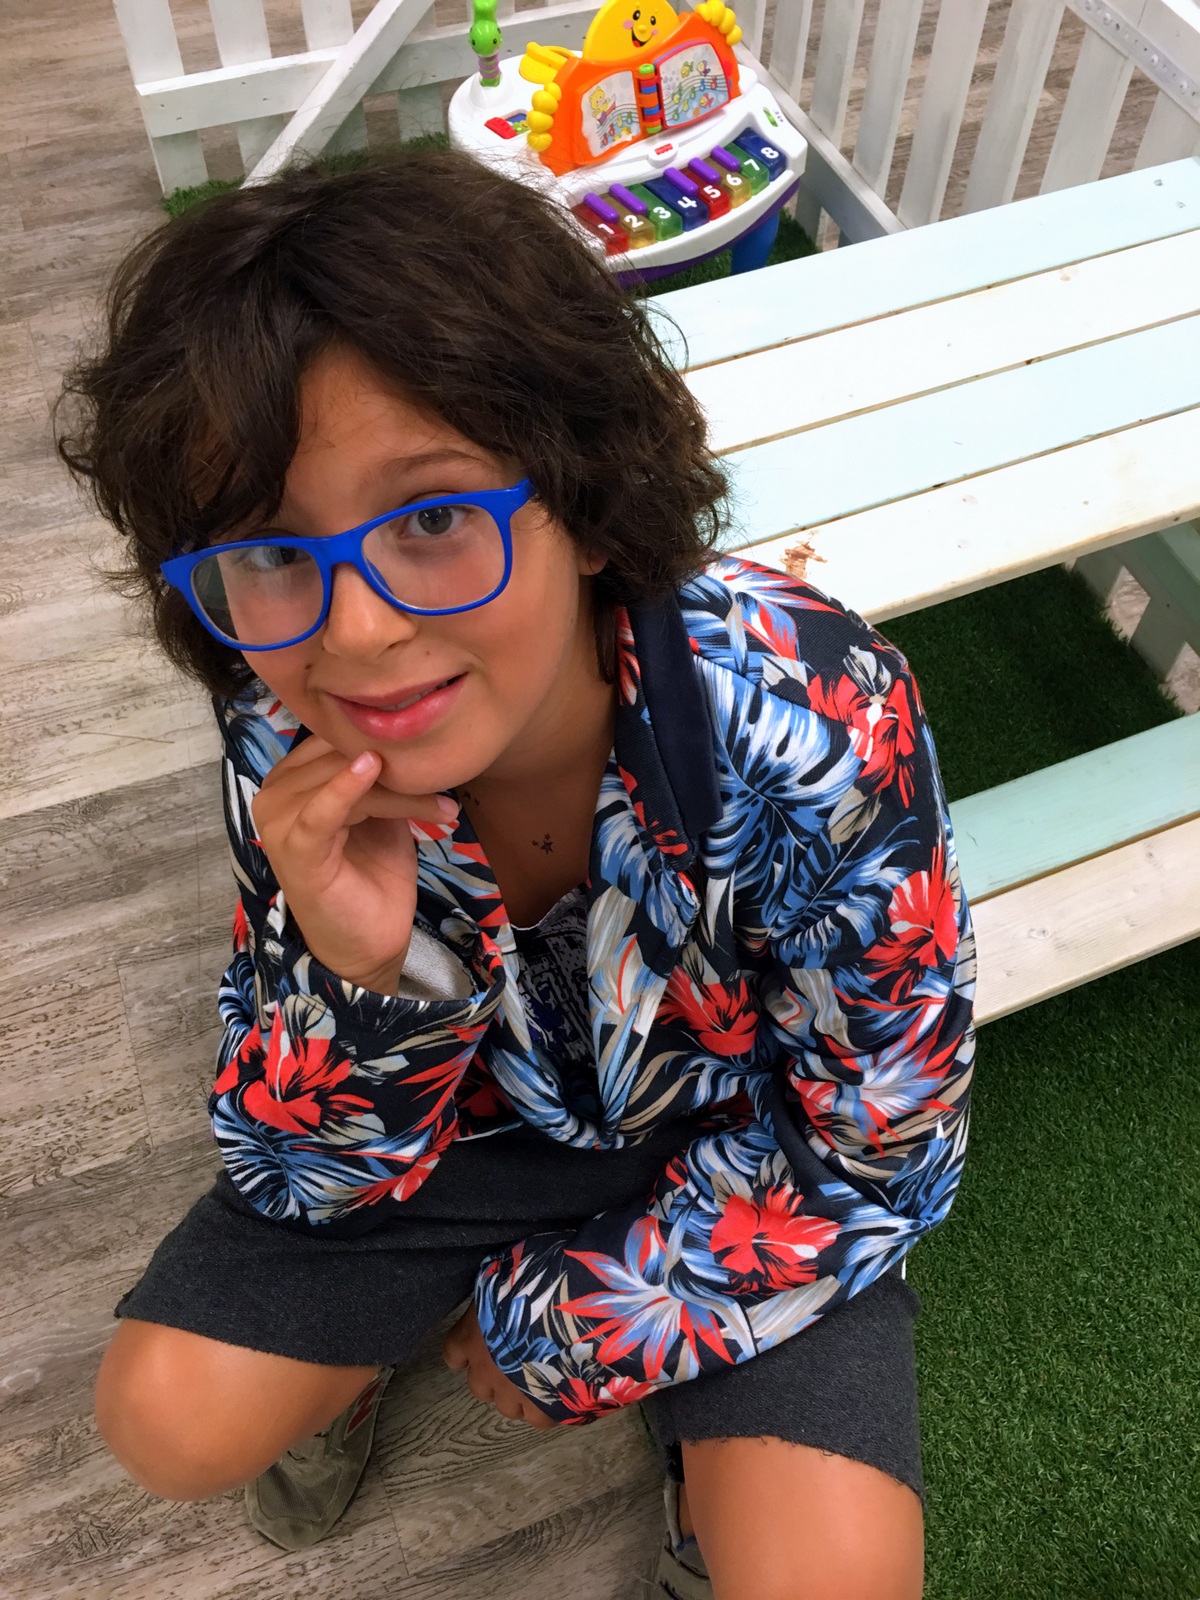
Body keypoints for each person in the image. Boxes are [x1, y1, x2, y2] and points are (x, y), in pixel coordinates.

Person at [57, 149, 975, 1600]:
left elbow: (886, 1144)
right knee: (167, 1423)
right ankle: (359, 1365)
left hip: (737, 1144)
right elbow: (290, 1168)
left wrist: (580, 1326)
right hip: (470, 1136)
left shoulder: (816, 719)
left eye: (433, 519)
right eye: (271, 553)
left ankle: (697, 1473)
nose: (355, 633)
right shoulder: (283, 732)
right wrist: (372, 977)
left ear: (591, 501)